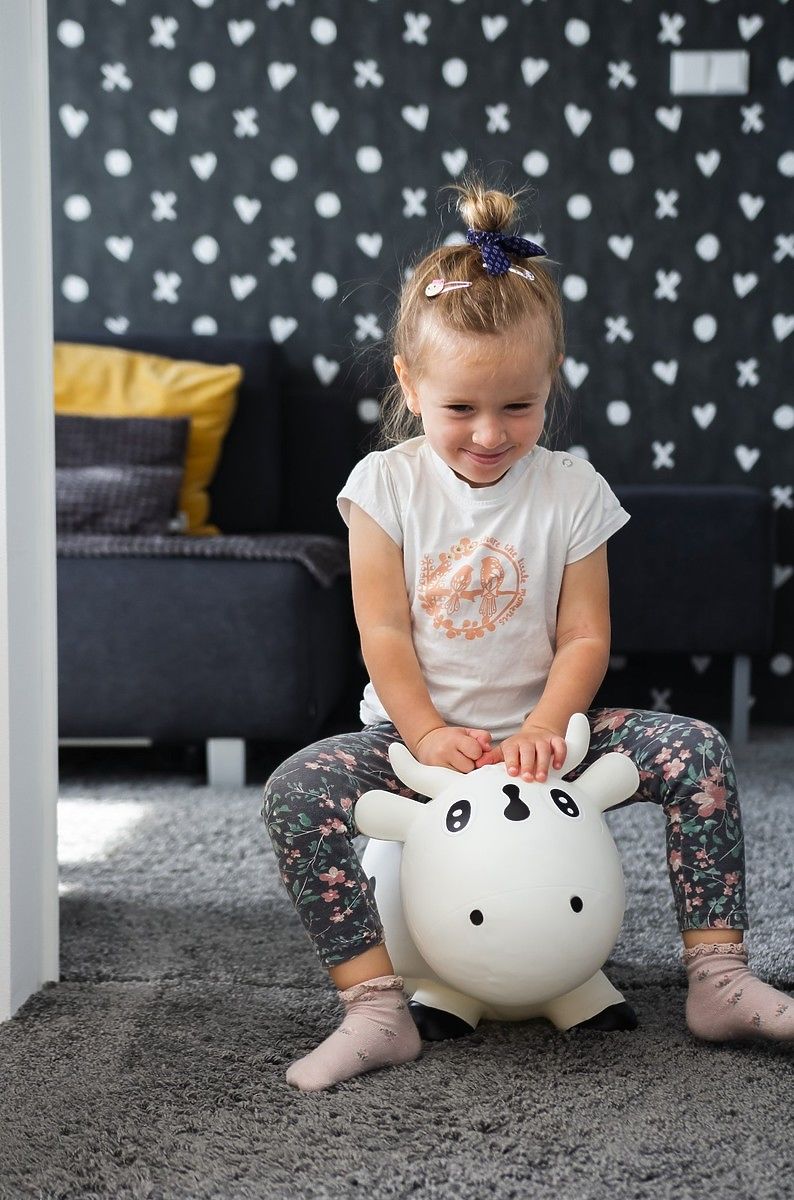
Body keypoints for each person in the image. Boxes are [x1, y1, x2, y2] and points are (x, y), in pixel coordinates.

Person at [261, 177, 793, 1093]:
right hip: (416, 740)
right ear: (409, 383)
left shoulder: (573, 491)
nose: (489, 433)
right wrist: (426, 732)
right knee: (294, 792)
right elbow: (382, 629)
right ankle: (375, 1007)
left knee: (698, 752)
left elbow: (585, 634)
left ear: (552, 383)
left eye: (518, 406)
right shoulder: (384, 487)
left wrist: (549, 724)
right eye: (460, 408)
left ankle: (718, 976)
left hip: (550, 738)